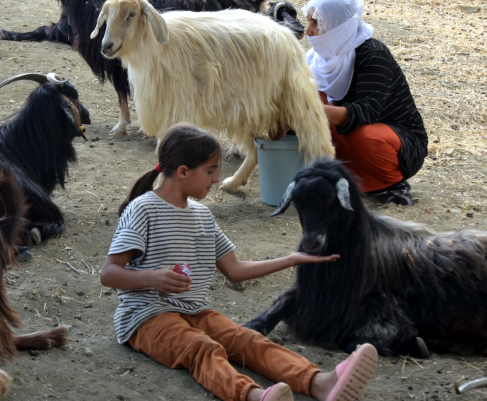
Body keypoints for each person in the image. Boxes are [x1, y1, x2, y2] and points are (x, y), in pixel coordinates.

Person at [100, 124, 379, 401]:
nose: (216, 178)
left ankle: (320, 382)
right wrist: (152, 278)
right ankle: (254, 396)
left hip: (196, 311)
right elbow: (109, 274)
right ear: (183, 172)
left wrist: (292, 259)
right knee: (201, 348)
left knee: (247, 339)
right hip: (146, 318)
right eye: (210, 171)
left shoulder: (202, 216)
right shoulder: (144, 209)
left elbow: (234, 270)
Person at [303, 0, 428, 206]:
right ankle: (336, 176)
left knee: (366, 137)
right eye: (309, 23)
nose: (308, 32)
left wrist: (308, 111)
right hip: (346, 130)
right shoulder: (315, 59)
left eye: (316, 24)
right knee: (306, 95)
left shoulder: (372, 54)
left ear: (338, 27)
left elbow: (367, 111)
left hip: (393, 137)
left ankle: (393, 182)